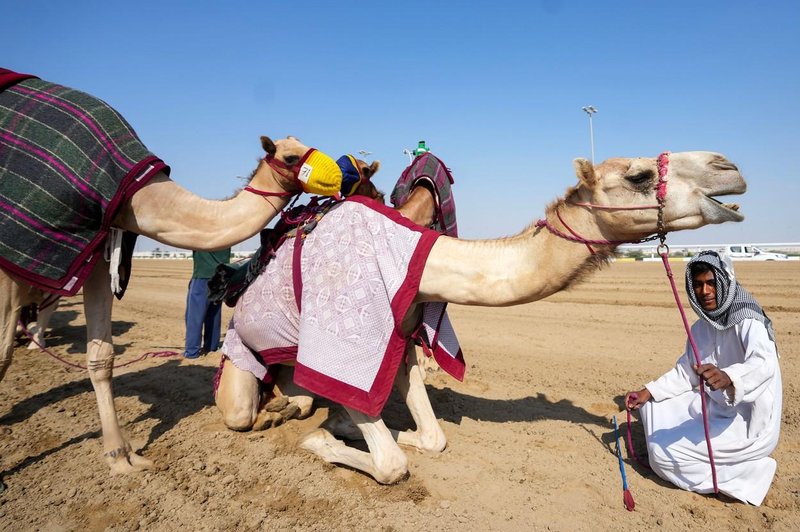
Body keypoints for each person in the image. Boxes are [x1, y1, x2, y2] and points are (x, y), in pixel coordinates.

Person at [625, 250, 782, 506]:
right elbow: (687, 371)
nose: (705, 291)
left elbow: (764, 364)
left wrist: (729, 377)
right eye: (698, 285)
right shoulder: (701, 326)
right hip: (714, 406)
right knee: (653, 407)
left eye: (711, 282)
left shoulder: (748, 321)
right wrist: (648, 391)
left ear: (725, 282)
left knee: (661, 456)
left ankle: (749, 474)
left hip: (750, 419)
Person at [184, 249, 232, 359]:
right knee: (214, 313)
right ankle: (211, 346)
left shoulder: (200, 232)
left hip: (202, 275)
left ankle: (191, 351)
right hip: (221, 276)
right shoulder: (227, 232)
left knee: (194, 317)